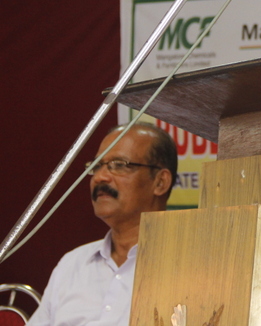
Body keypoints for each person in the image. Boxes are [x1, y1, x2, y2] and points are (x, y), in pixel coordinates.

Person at [28, 122, 178, 326]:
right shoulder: (73, 264)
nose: (100, 177)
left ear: (160, 182)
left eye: (119, 165)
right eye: (97, 166)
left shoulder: (190, 265)